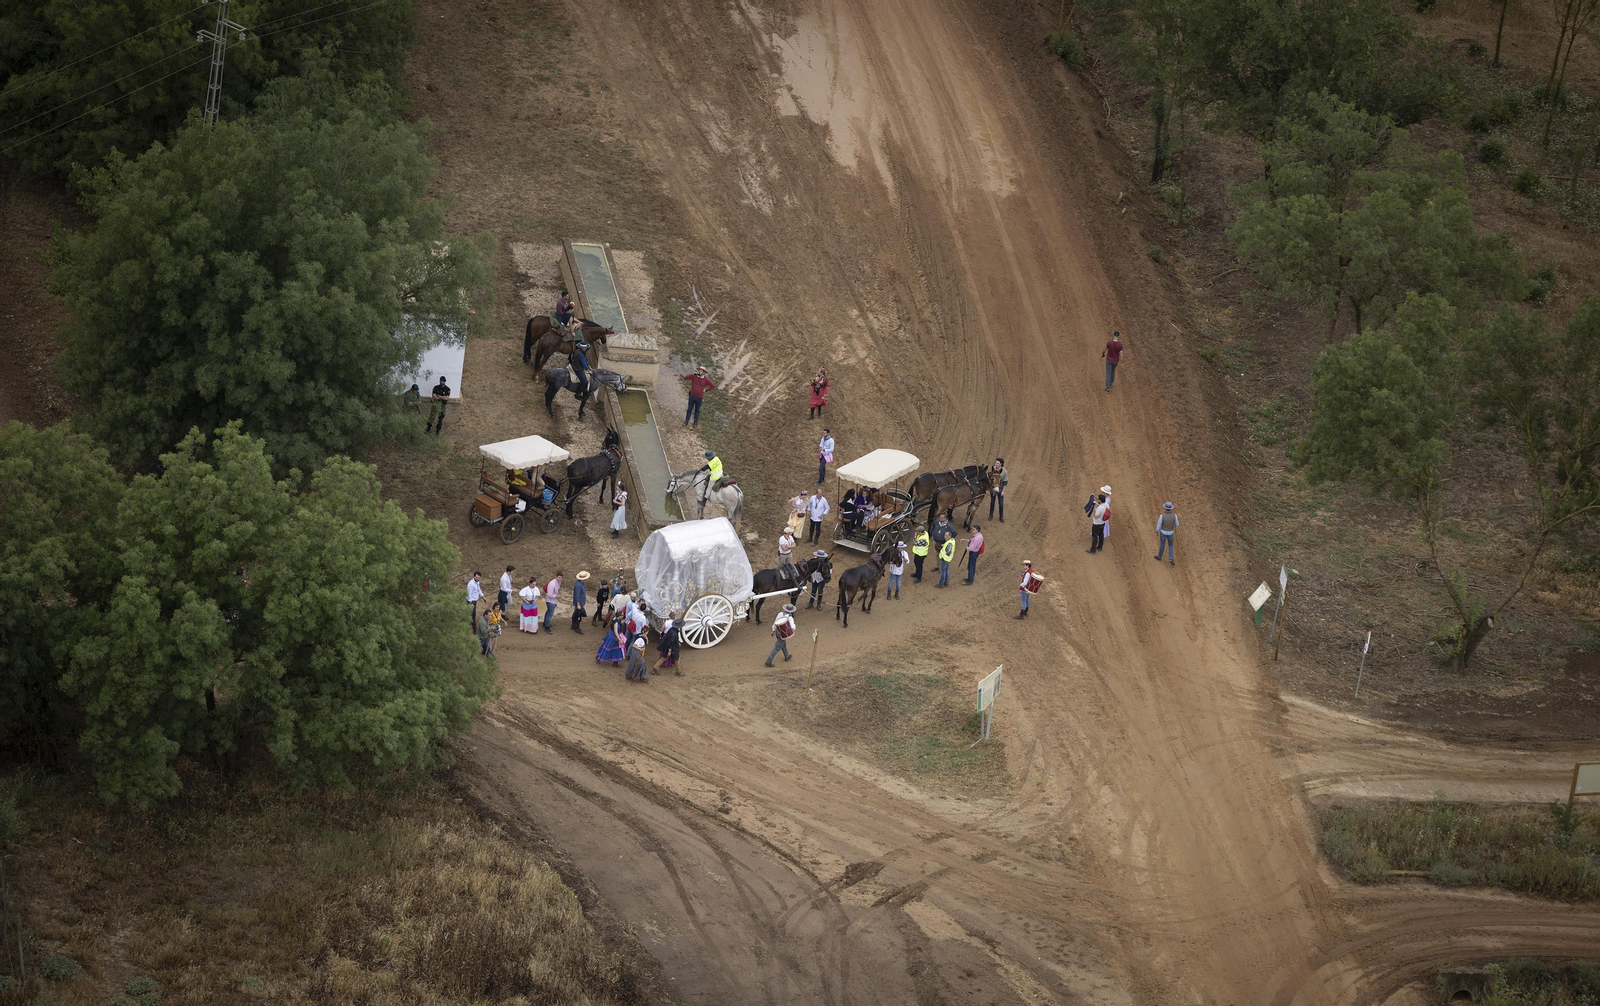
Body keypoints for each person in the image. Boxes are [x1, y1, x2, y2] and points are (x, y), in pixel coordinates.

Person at [989, 457, 1008, 522]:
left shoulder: (1005, 472)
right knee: (992, 503)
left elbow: (1005, 482)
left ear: (1001, 464)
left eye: (997, 463)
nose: (996, 464)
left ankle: (1001, 516)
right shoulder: (993, 468)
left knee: (1001, 504)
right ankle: (991, 515)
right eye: (996, 463)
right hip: (993, 488)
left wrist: (1003, 491)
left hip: (1000, 489)